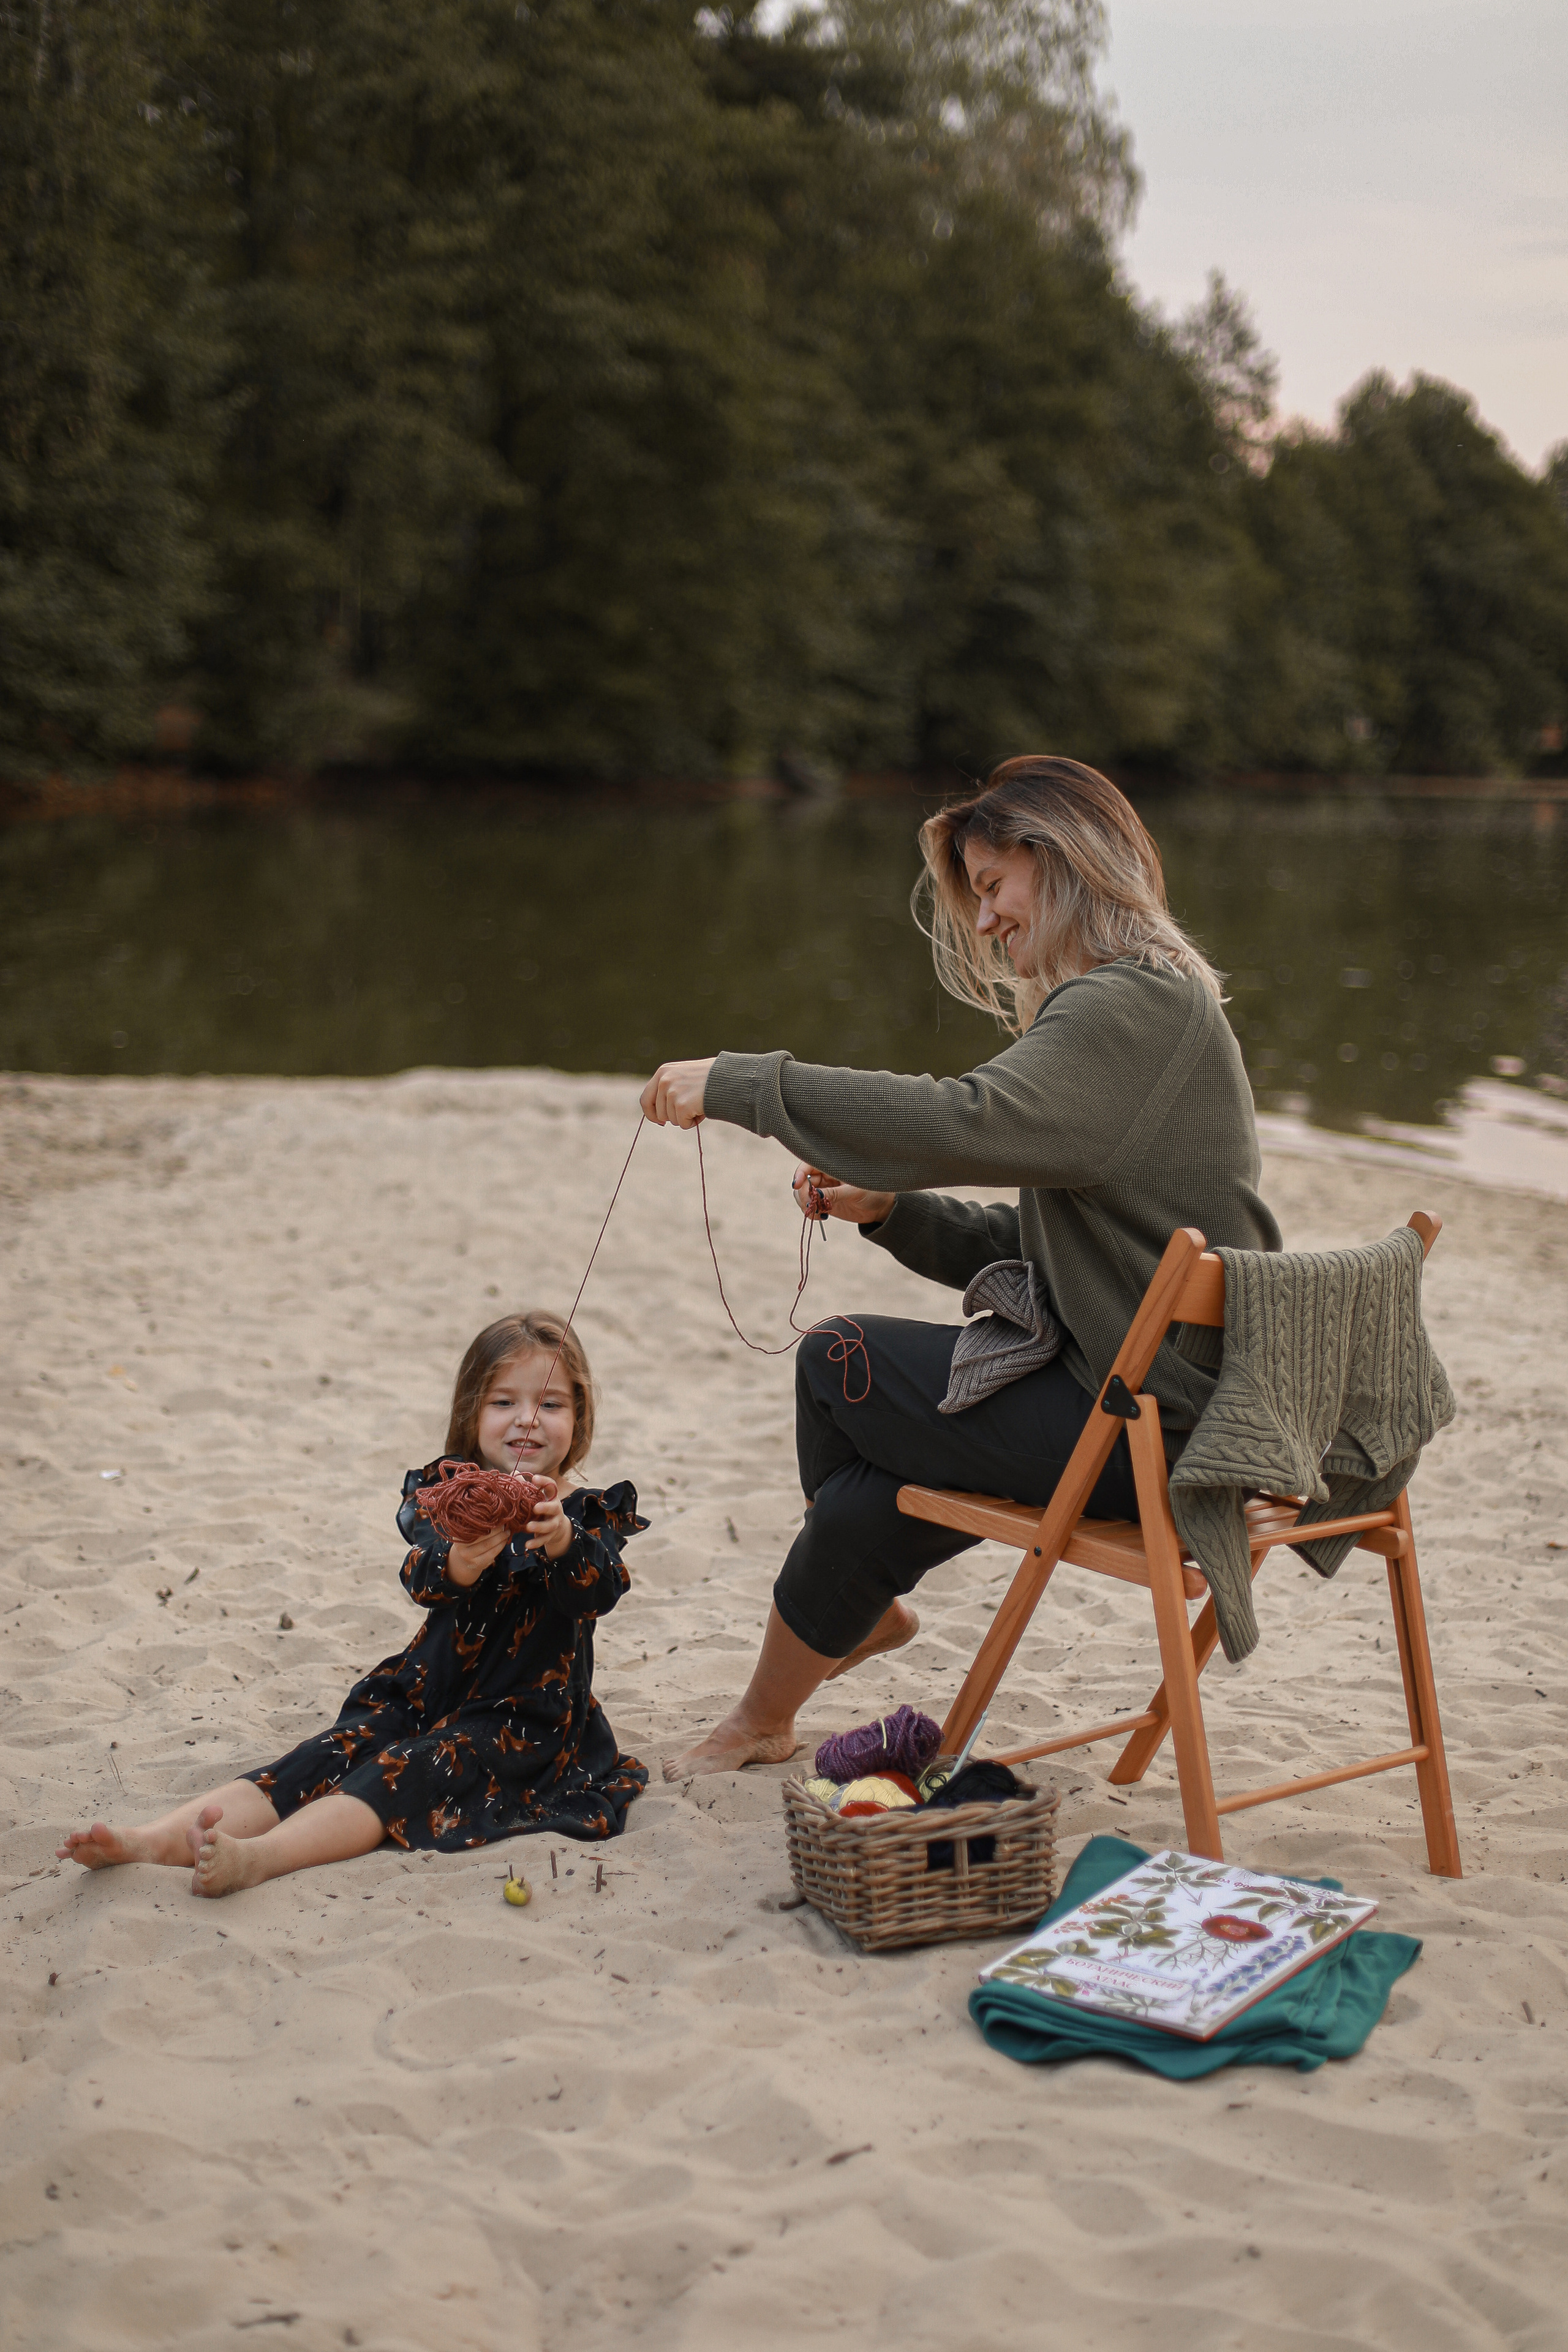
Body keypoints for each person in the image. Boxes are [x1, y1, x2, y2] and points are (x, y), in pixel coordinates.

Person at [640, 755, 1281, 1779]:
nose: (984, 923)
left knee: (838, 1360)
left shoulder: (1128, 1010)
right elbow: (1047, 1252)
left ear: (1062, 862)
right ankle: (775, 1706)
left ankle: (850, 1620)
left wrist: (741, 1083)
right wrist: (895, 1211)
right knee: (871, 1476)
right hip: (1157, 1404)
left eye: (992, 887)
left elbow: (958, 1117)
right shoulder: (1152, 1005)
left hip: (1152, 1431)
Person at [59, 1313, 648, 1895]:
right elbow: (423, 1580)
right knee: (318, 1759)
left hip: (521, 1724)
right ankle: (154, 1842)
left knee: (402, 1775)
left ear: (580, 1416)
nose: (527, 1420)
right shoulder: (450, 1493)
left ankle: (262, 1858)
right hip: (426, 1692)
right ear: (471, 1413)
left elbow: (598, 1592)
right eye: (503, 1403)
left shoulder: (584, 1513)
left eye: (551, 1405)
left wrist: (565, 1543)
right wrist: (464, 1559)